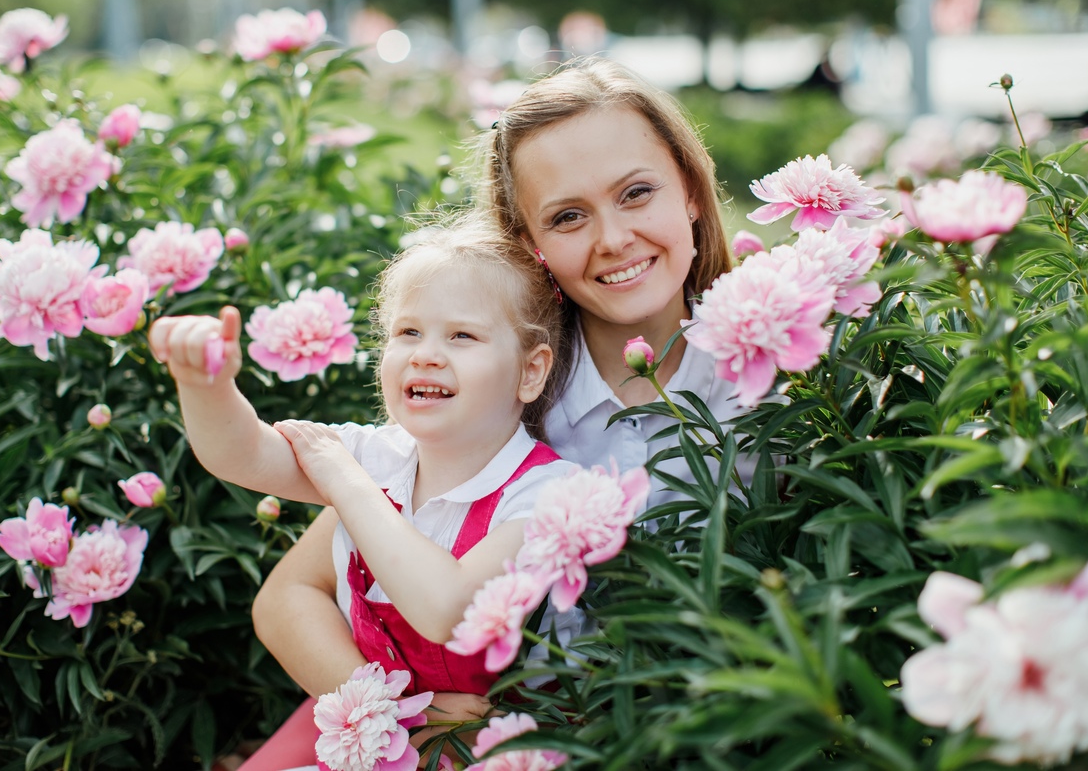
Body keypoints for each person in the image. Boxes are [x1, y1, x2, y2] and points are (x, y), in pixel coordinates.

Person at [242, 56, 743, 769]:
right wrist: (401, 720)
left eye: (637, 193)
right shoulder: (492, 387)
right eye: (568, 216)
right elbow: (293, 592)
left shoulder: (782, 388)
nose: (613, 238)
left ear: (691, 190)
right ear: (530, 245)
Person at [149, 220, 575, 770]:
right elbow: (242, 455)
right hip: (379, 733)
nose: (425, 355)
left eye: (462, 336)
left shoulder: (544, 494)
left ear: (530, 371)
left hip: (486, 751)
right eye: (408, 333)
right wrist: (206, 386)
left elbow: (447, 609)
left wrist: (346, 482)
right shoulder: (376, 454)